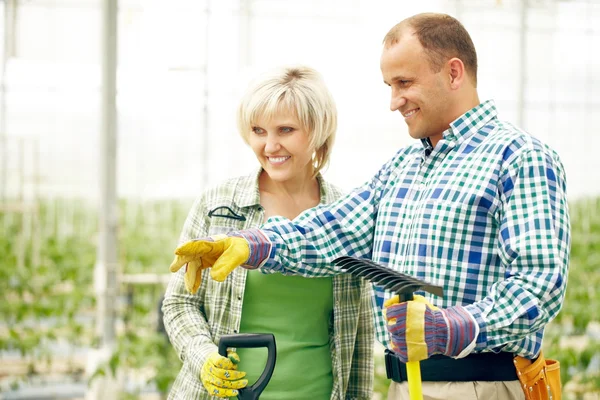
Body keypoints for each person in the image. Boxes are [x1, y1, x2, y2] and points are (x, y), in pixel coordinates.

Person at [170, 13, 571, 400]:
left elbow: (539, 283)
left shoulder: (519, 158)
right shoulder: (402, 168)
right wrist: (255, 245)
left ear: (453, 73)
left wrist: (452, 327)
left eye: (404, 83)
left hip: (479, 386)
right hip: (403, 385)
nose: (394, 101)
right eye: (389, 85)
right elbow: (332, 230)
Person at [162, 65, 374, 400]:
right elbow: (179, 303)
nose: (270, 145)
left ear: (318, 130)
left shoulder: (344, 216)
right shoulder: (220, 205)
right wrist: (204, 358)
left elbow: (360, 331)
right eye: (258, 130)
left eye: (285, 130)